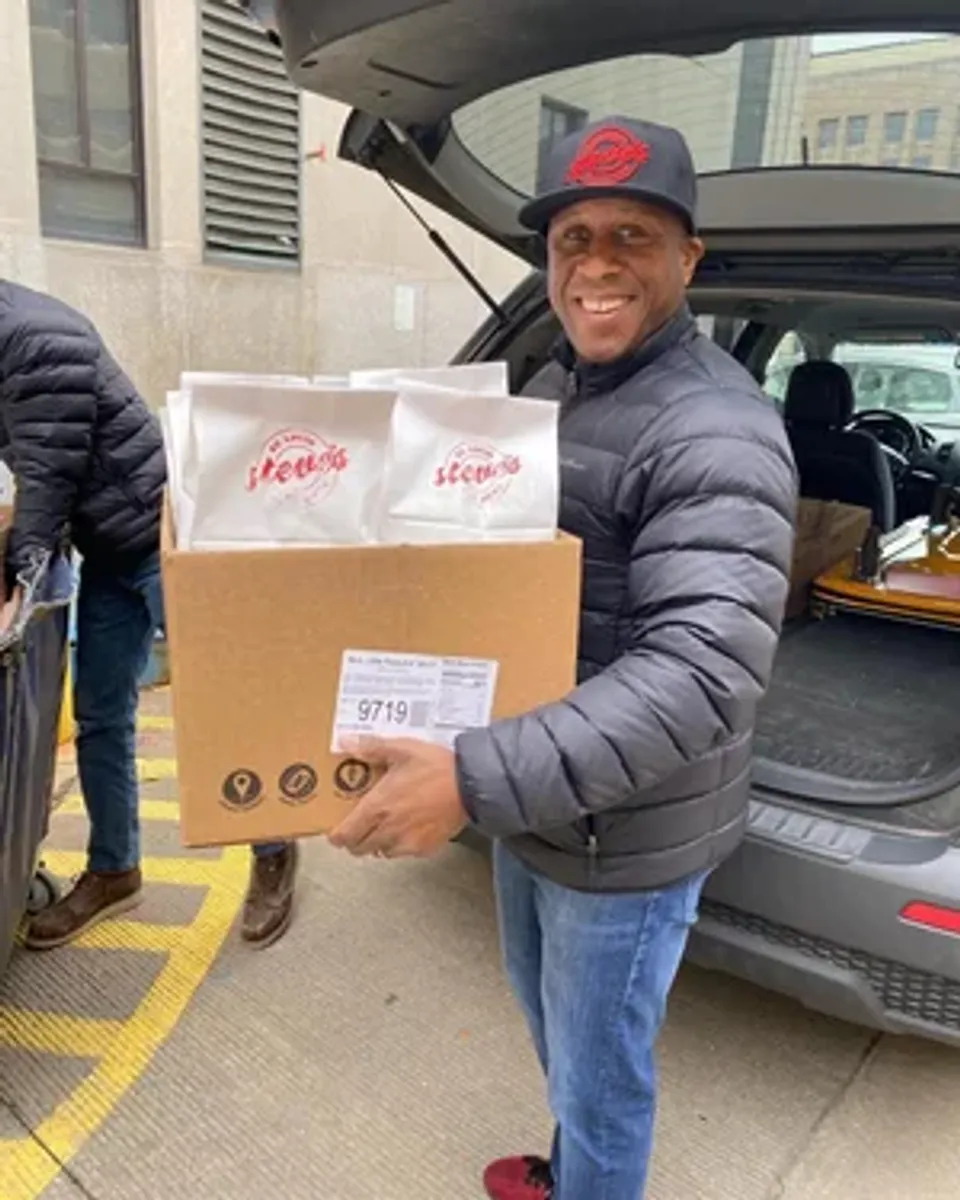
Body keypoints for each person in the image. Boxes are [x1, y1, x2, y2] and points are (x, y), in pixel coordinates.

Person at [327, 116, 797, 1200]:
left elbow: (701, 670)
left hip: (621, 834)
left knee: (601, 1073)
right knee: (553, 1030)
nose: (594, 264)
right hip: (534, 797)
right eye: (573, 235)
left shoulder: (714, 428)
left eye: (632, 236)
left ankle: (590, 1174)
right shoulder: (557, 393)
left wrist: (470, 776)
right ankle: (573, 1169)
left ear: (690, 260)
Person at [0, 280, 298, 950]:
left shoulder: (36, 341)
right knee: (103, 713)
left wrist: (20, 577)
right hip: (105, 546)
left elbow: (46, 474)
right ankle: (114, 870)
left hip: (165, 539)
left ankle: (274, 846)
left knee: (220, 703)